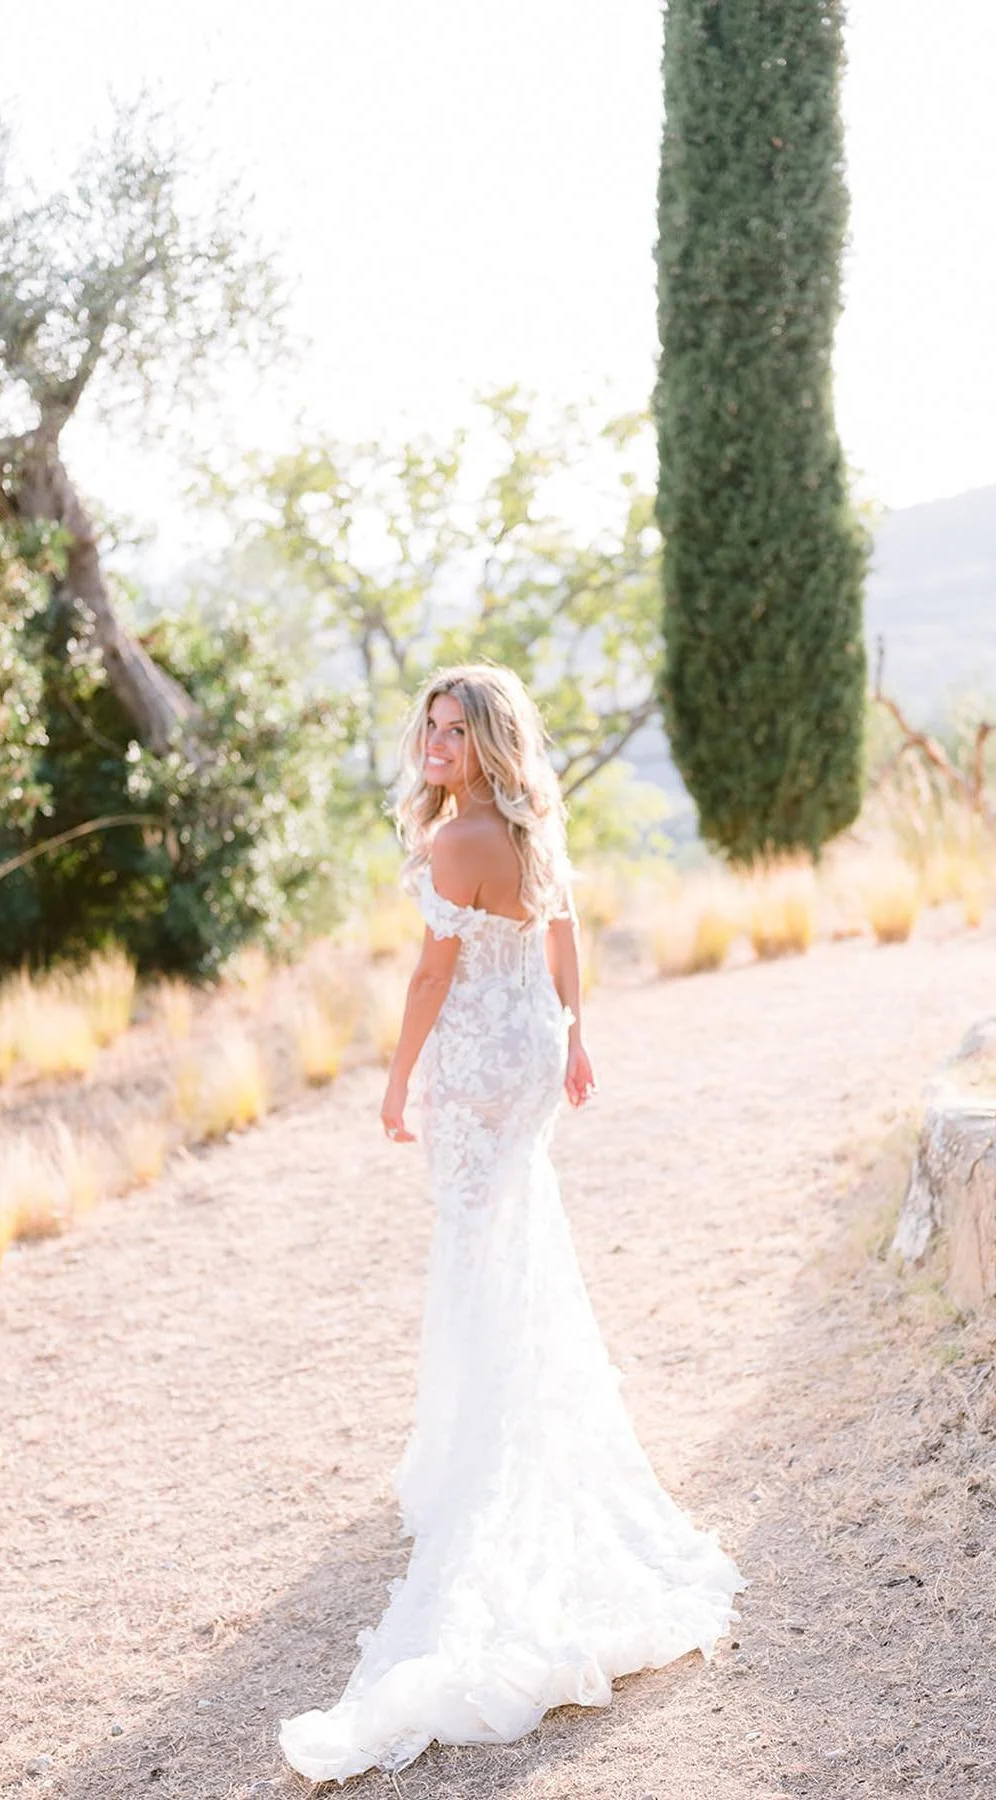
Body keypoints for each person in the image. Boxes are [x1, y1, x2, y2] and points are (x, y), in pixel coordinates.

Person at [279, 663, 743, 1783]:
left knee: (478, 1255)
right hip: (532, 1044)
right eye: (429, 725)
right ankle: (484, 1425)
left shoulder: (455, 844)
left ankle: (483, 1447)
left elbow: (432, 981)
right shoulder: (532, 820)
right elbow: (565, 936)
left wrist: (397, 1087)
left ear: (490, 742)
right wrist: (576, 1036)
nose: (434, 742)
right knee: (514, 1244)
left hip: (480, 1062)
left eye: (454, 729)